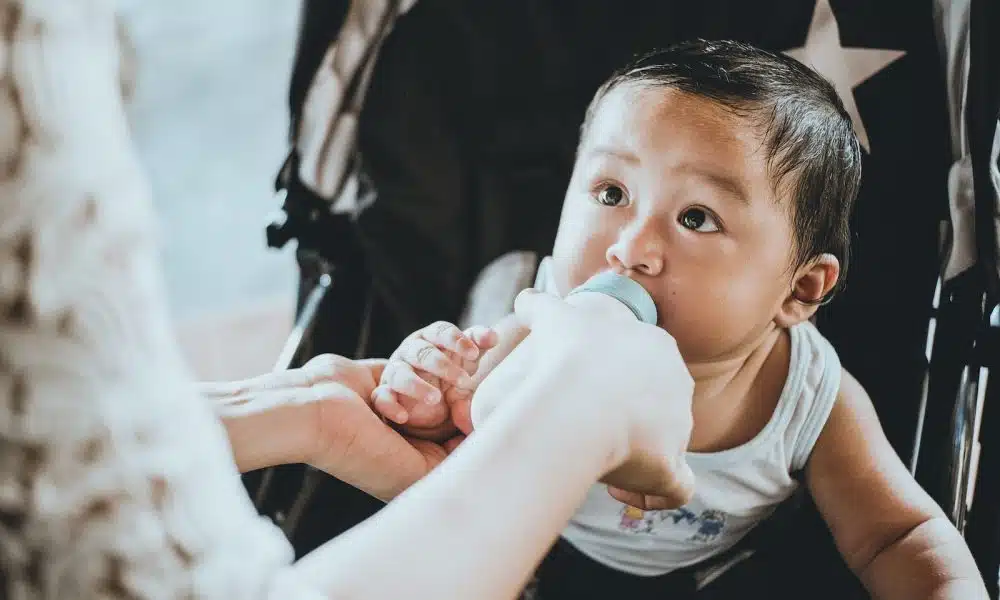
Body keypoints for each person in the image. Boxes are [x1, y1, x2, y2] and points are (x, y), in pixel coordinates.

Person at [370, 40, 989, 599]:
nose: (631, 247)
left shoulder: (808, 400)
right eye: (612, 194)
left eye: (696, 218)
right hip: (543, 538)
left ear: (799, 289)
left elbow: (898, 536)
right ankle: (497, 285)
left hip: (717, 564)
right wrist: (431, 395)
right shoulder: (551, 326)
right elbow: (458, 434)